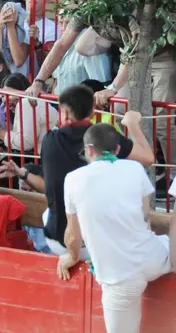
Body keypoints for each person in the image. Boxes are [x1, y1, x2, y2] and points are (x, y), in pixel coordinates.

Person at [0, 85, 155, 258]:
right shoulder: (103, 138)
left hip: (59, 239)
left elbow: (52, 187)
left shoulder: (50, 141)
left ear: (64, 114)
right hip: (98, 241)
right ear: (93, 113)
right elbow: (148, 158)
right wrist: (132, 125)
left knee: (49, 213)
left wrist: (23, 173)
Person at [58, 123, 175, 333]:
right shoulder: (135, 169)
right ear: (118, 149)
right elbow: (145, 220)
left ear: (88, 150)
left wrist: (72, 257)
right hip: (153, 258)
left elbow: (73, 236)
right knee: (165, 243)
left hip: (119, 277)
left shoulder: (73, 179)